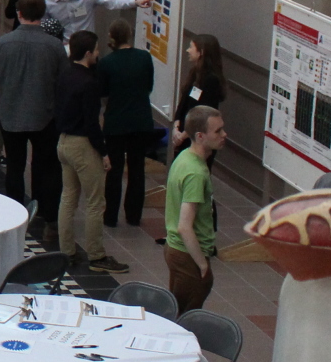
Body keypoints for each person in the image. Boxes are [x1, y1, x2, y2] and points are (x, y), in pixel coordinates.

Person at [0, 0, 66, 242]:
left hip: (10, 115)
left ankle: (14, 217)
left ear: (18, 13)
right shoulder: (54, 46)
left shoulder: (3, 43)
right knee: (48, 167)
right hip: (45, 116)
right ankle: (49, 220)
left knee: (15, 167)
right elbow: (63, 81)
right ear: (42, 14)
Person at [55, 31, 125, 274]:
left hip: (63, 142)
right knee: (95, 202)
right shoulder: (90, 82)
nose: (98, 53)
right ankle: (96, 256)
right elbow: (92, 123)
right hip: (83, 146)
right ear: (87, 53)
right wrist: (104, 152)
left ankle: (66, 252)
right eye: (96, 50)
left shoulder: (64, 74)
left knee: (68, 197)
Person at [163, 105, 226, 312]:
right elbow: (185, 226)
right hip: (187, 255)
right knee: (185, 317)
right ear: (200, 136)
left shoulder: (183, 158)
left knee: (177, 309)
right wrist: (202, 264)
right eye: (217, 131)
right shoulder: (196, 173)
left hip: (176, 250)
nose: (224, 135)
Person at [97, 18, 155, 230]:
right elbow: (149, 85)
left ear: (111, 37)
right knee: (137, 168)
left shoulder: (106, 62)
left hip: (116, 121)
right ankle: (133, 215)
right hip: (141, 119)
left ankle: (110, 215)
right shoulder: (144, 58)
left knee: (114, 170)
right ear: (130, 35)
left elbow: (102, 91)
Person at [171, 33, 227, 151]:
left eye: (191, 47)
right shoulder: (195, 73)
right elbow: (183, 103)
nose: (188, 50)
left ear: (201, 52)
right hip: (184, 134)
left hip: (197, 140)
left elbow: (203, 114)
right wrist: (176, 127)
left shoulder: (211, 80)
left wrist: (183, 135)